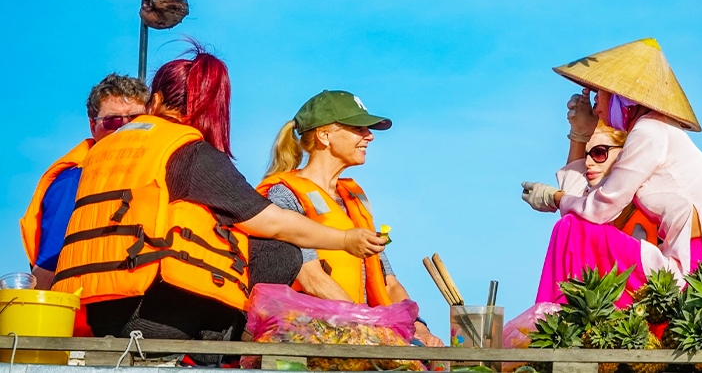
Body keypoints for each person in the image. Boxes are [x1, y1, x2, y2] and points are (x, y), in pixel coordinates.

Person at [51, 45, 386, 343]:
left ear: (154, 102)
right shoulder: (187, 152)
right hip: (155, 319)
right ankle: (226, 347)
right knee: (279, 251)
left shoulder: (99, 155)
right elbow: (272, 222)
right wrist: (345, 240)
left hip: (96, 312)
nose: (367, 136)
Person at [522, 38, 702, 297]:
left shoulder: (649, 130)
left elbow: (598, 210)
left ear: (620, 96)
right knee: (573, 227)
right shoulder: (653, 131)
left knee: (570, 229)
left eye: (598, 94)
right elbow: (589, 202)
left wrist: (555, 198)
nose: (594, 105)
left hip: (696, 271)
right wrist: (580, 134)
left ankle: (552, 319)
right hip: (686, 264)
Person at [257, 90, 444, 347]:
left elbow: (388, 282)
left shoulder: (354, 199)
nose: (369, 136)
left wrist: (418, 328)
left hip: (357, 336)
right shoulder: (285, 194)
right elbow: (310, 277)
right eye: (358, 128)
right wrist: (369, 327)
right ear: (324, 135)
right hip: (308, 338)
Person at [21, 74, 149, 291]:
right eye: (113, 121)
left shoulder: (156, 176)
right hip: (83, 317)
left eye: (136, 121)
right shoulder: (74, 180)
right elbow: (47, 268)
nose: (124, 129)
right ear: (93, 126)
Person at [536, 118, 658, 306]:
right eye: (586, 155)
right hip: (604, 305)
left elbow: (577, 217)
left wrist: (558, 198)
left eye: (599, 153)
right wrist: (578, 132)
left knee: (572, 225)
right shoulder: (601, 208)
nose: (588, 162)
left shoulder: (643, 204)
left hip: (637, 308)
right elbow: (578, 204)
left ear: (625, 154)